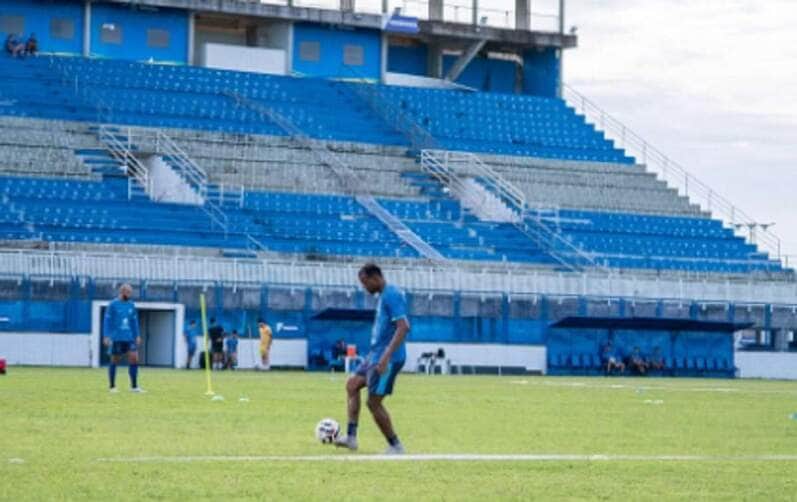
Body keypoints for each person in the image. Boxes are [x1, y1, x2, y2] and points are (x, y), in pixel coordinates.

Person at [335, 263, 410, 454]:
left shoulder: (392, 295)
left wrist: (385, 357)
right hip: (374, 356)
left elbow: (403, 327)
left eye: (365, 282)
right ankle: (351, 438)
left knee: (374, 403)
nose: (364, 287)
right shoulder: (384, 295)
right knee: (352, 385)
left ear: (375, 278)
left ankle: (396, 446)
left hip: (387, 359)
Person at [102, 284, 144, 393]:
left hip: (129, 337)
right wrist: (106, 335)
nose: (130, 295)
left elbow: (134, 322)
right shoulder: (113, 305)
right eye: (128, 292)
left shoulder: (131, 305)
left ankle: (134, 387)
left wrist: (137, 335)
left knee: (134, 358)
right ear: (122, 292)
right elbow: (107, 321)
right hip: (117, 337)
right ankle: (112, 386)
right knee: (114, 360)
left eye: (131, 292)